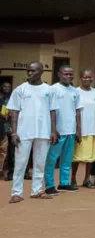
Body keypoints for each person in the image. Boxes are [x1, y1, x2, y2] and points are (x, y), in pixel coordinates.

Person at [7, 62, 53, 203]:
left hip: (43, 131)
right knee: (20, 163)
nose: (30, 73)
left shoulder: (49, 90)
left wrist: (53, 131)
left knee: (40, 163)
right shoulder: (20, 90)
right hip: (23, 132)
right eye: (28, 71)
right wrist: (14, 133)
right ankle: (16, 192)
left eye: (33, 71)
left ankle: (37, 190)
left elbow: (53, 111)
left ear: (41, 71)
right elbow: (14, 111)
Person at [44, 65, 81, 195]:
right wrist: (53, 130)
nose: (69, 76)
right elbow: (50, 110)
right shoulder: (52, 89)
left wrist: (78, 130)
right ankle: (49, 185)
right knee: (52, 159)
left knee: (67, 159)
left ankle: (64, 183)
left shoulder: (75, 91)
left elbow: (77, 112)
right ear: (59, 74)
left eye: (71, 74)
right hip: (58, 131)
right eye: (66, 74)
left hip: (70, 131)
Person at [71, 69, 95, 188]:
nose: (87, 79)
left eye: (89, 77)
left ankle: (87, 179)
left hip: (93, 129)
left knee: (90, 157)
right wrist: (77, 129)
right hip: (79, 130)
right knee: (76, 157)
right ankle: (73, 179)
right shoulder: (75, 92)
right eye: (85, 77)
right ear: (80, 78)